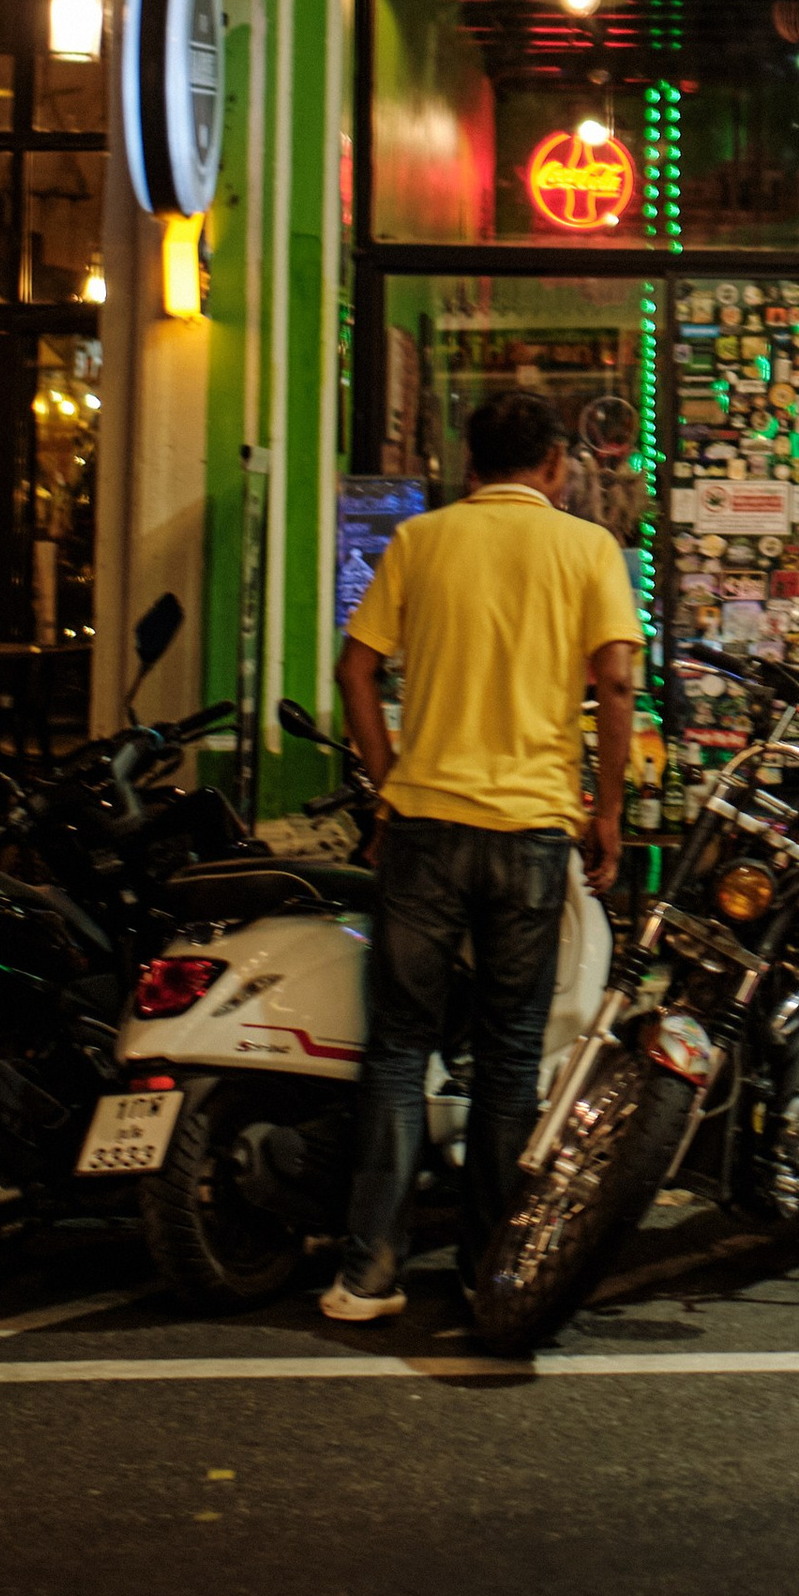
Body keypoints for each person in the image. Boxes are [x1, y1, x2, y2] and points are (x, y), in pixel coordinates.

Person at [325, 390, 641, 1324]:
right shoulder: (589, 550)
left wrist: (386, 782)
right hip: (533, 834)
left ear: (473, 466)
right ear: (554, 463)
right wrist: (609, 814)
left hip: (423, 827)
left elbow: (357, 667)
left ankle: (366, 1271)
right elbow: (617, 683)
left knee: (398, 1049)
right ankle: (485, 1270)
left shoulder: (422, 541)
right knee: (510, 1057)